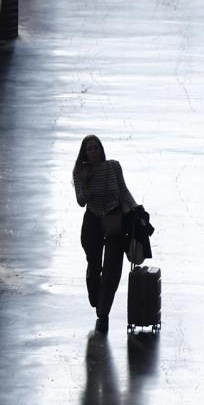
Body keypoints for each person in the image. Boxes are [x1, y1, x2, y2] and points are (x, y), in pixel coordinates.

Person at [72, 135, 138, 332]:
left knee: (112, 267)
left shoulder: (113, 167)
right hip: (92, 220)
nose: (92, 152)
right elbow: (80, 201)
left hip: (114, 218)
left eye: (95, 148)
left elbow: (123, 191)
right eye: (89, 149)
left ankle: (103, 310)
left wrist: (136, 208)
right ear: (84, 153)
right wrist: (87, 185)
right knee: (94, 263)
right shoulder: (80, 172)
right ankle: (95, 294)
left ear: (101, 150)